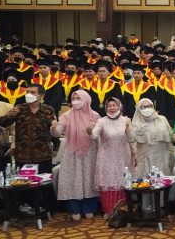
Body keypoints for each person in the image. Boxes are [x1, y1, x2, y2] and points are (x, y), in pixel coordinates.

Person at [51, 90, 100, 220]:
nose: (76, 101)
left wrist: (92, 131)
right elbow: (58, 132)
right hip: (72, 153)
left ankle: (89, 207)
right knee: (73, 179)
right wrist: (54, 128)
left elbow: (99, 137)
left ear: (86, 100)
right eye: (74, 98)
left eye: (79, 98)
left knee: (89, 179)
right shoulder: (66, 115)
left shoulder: (95, 115)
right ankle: (74, 209)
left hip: (90, 153)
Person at [89, 97, 135, 217]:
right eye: (109, 106)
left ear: (119, 106)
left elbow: (131, 138)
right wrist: (91, 129)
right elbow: (94, 136)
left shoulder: (125, 120)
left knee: (122, 182)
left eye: (114, 105)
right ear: (106, 108)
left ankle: (122, 210)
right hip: (106, 157)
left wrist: (128, 127)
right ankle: (109, 211)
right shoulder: (101, 121)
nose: (112, 108)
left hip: (122, 157)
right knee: (108, 183)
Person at [130, 98, 174, 179]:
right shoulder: (136, 123)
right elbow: (131, 139)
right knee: (147, 184)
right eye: (143, 107)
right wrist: (127, 128)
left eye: (149, 106)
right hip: (145, 159)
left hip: (162, 157)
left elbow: (171, 135)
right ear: (138, 109)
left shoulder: (162, 119)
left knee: (163, 182)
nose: (147, 109)